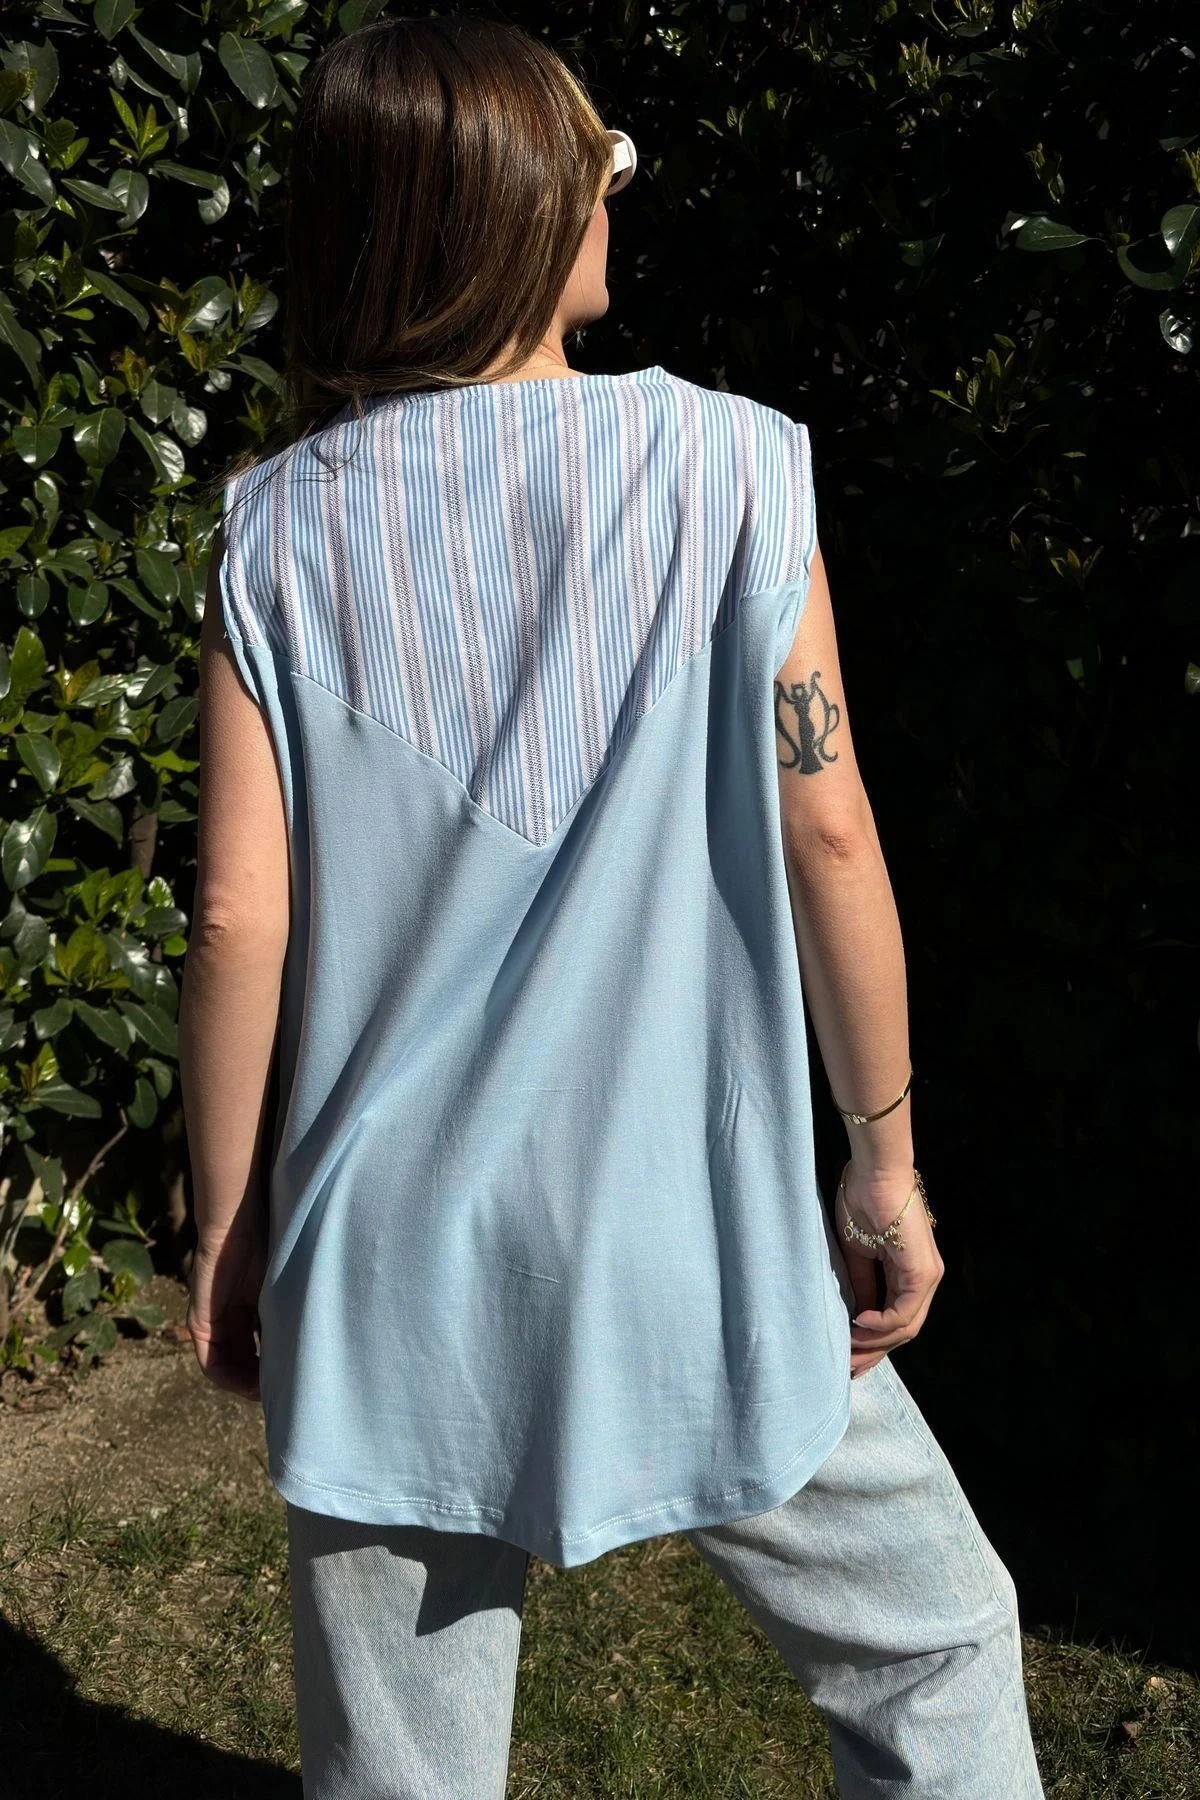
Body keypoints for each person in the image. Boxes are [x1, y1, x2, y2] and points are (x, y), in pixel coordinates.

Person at [178, 14, 1045, 1798]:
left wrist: (228, 1227)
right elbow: (829, 835)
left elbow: (236, 920)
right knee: (936, 1640)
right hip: (697, 1237)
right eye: (600, 168)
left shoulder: (272, 531)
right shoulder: (734, 468)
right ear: (509, 213)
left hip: (390, 1259)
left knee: (402, 1773)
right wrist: (882, 1167)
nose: (614, 200)